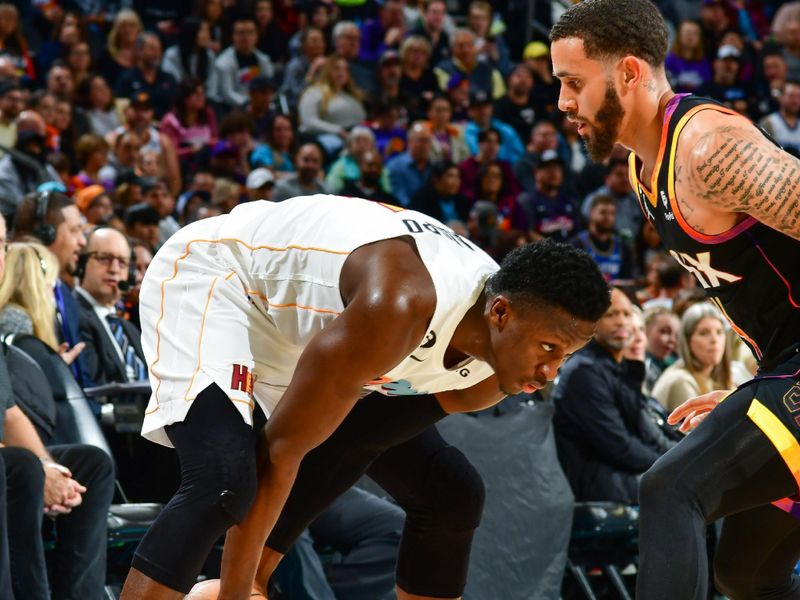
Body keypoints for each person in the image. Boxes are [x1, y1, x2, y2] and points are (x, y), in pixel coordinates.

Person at [118, 196, 610, 600]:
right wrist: (238, 590)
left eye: (565, 356)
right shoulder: (399, 304)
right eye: (548, 349)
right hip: (223, 280)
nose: (549, 374)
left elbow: (354, 441)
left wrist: (255, 575)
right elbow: (283, 452)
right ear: (500, 314)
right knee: (223, 484)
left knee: (451, 494)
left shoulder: (486, 377)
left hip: (312, 331)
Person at [550, 1, 800, 598]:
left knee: (670, 487)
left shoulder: (709, 150)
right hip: (782, 364)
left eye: (574, 83)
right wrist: (758, 393)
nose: (564, 104)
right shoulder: (646, 168)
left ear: (630, 73)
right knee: (746, 572)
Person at [553, 288, 677, 504]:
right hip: (597, 483)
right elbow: (620, 447)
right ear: (592, 321)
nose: (621, 322)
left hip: (622, 472)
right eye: (611, 315)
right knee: (683, 488)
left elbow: (646, 435)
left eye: (626, 314)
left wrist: (682, 457)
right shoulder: (584, 373)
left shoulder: (621, 367)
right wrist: (675, 465)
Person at [75, 227, 146, 386]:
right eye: (104, 258)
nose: (114, 269)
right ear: (82, 262)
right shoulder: (72, 315)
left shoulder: (130, 329)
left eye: (122, 263)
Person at [652, 302, 748, 413]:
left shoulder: (717, 377)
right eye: (704, 333)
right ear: (687, 341)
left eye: (719, 332)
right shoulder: (681, 381)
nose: (714, 340)